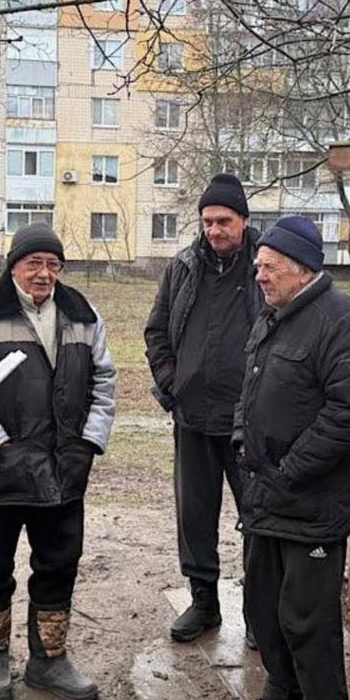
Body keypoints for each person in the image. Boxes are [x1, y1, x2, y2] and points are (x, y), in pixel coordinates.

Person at [0, 222, 116, 700]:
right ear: (13, 266)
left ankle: (48, 661)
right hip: (0, 473)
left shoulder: (82, 314)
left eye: (53, 264)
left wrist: (89, 443)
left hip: (64, 472)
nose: (44, 274)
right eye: (34, 263)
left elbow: (105, 383)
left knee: (59, 563)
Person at [228, 216, 350, 700]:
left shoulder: (339, 322)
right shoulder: (273, 316)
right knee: (266, 608)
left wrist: (288, 471)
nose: (258, 273)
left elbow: (349, 416)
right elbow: (249, 387)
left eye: (268, 264)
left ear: (301, 267)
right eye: (258, 264)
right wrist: (243, 440)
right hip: (265, 497)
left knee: (308, 617)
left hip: (310, 502)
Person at [144, 173, 263, 642]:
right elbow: (156, 332)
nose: (215, 231)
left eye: (224, 221)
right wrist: (172, 383)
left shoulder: (265, 265)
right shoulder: (183, 267)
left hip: (248, 421)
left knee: (257, 517)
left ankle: (258, 613)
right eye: (208, 221)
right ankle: (204, 602)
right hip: (192, 417)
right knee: (194, 515)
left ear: (244, 221)